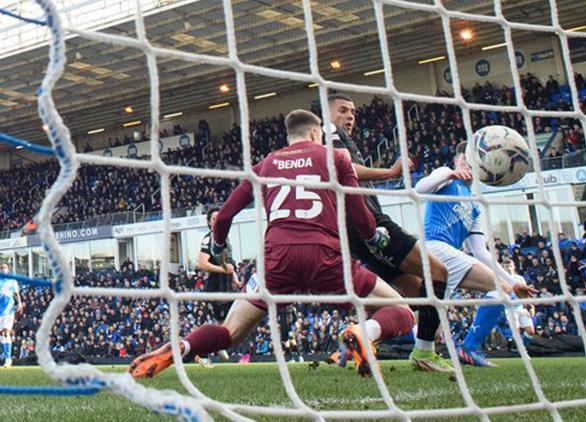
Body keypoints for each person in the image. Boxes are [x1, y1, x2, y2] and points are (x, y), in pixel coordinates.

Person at [129, 110, 414, 379]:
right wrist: (374, 238)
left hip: (276, 262)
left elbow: (225, 214)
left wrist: (217, 247)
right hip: (325, 257)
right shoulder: (335, 157)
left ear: (290, 135)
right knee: (401, 310)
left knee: (232, 332)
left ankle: (184, 347)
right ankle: (365, 332)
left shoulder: (266, 164)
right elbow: (361, 218)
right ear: (316, 133)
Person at [326, 94, 450, 371]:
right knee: (439, 272)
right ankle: (424, 353)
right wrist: (390, 172)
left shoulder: (340, 138)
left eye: (353, 112)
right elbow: (343, 168)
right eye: (343, 110)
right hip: (368, 223)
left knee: (415, 295)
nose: (350, 117)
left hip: (354, 231)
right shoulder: (329, 131)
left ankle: (364, 335)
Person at [414, 142, 535, 368]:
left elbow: (481, 252)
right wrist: (450, 173)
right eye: (464, 161)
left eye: (474, 163)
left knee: (419, 318)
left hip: (448, 258)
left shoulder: (474, 206)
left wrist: (513, 281)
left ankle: (365, 335)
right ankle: (469, 348)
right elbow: (419, 189)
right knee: (501, 289)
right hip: (434, 247)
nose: (468, 167)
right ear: (457, 162)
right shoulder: (446, 177)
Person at [194, 208, 241, 367]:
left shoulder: (225, 239)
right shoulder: (208, 239)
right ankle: (202, 354)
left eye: (219, 218)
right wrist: (223, 270)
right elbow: (202, 263)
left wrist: (233, 276)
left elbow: (230, 262)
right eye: (213, 219)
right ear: (208, 222)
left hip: (226, 286)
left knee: (227, 322)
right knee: (216, 322)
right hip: (215, 288)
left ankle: (218, 345)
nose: (217, 221)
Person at [0, 263, 22, 368]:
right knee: (1, 334)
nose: (3, 269)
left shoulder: (12, 280)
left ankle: (8, 358)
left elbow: (16, 293)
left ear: (8, 269)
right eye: (1, 268)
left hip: (9, 310)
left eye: (4, 267)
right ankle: (6, 355)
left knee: (6, 332)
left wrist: (20, 303)